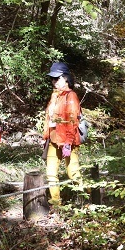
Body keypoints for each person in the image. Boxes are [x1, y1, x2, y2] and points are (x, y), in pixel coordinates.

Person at [42, 62, 82, 206]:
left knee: (73, 173)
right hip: (54, 139)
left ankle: (88, 198)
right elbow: (49, 119)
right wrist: (46, 136)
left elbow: (72, 121)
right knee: (51, 173)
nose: (54, 81)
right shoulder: (55, 96)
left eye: (56, 78)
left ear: (66, 78)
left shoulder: (71, 96)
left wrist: (68, 142)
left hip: (67, 142)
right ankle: (56, 202)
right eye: (52, 79)